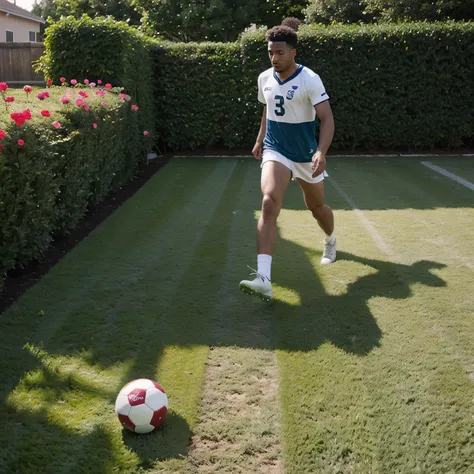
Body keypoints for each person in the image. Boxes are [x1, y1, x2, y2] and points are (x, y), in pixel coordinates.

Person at [239, 25, 336, 301]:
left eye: (280, 52)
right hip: (276, 149)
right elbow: (267, 109)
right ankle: (263, 279)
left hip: (306, 154)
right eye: (270, 52)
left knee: (317, 208)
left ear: (293, 52)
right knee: (269, 202)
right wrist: (260, 140)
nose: (274, 58)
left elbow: (327, 118)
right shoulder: (264, 78)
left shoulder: (310, 79)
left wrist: (321, 151)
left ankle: (330, 240)